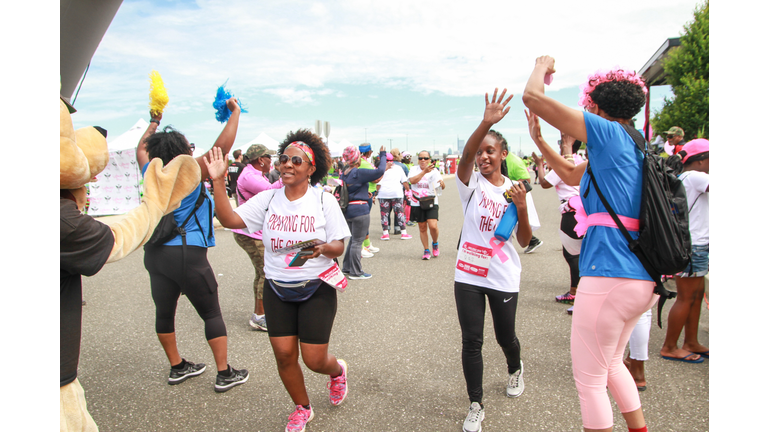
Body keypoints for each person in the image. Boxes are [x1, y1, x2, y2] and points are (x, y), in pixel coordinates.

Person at [523, 56, 660, 432]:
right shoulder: (633, 144)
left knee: (589, 381)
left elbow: (532, 97)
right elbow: (568, 172)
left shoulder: (606, 133)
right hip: (641, 278)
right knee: (613, 364)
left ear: (596, 107)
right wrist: (538, 141)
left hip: (608, 276)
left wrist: (542, 65)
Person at [205, 130, 352, 432]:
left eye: (295, 160)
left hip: (316, 287)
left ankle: (337, 371)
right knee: (285, 355)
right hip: (276, 287)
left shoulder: (323, 200)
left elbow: (340, 244)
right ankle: (302, 408)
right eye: (283, 158)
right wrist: (218, 182)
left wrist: (324, 248)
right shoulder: (268, 198)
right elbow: (231, 220)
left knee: (313, 359)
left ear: (311, 168)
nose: (286, 164)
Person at [136, 97, 249, 393]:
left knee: (164, 312)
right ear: (183, 153)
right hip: (187, 253)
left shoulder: (150, 171)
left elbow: (140, 149)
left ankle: (177, 367)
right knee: (211, 313)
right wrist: (235, 112)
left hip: (155, 253)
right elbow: (220, 150)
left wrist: (154, 121)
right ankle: (225, 373)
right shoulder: (186, 173)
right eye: (189, 149)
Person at [455, 89, 539, 432]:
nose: (483, 157)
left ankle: (514, 368)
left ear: (503, 154)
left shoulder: (518, 190)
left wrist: (520, 206)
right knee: (471, 341)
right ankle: (475, 403)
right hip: (468, 275)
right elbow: (464, 155)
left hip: (503, 275)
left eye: (491, 151)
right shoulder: (471, 184)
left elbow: (523, 240)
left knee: (506, 337)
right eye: (481, 152)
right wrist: (485, 121)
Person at [660, 139, 709, 363]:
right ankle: (670, 346)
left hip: (697, 244)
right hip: (693, 245)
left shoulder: (690, 176)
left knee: (697, 296)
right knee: (686, 297)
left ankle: (691, 341)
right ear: (700, 161)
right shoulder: (696, 177)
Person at [530, 134, 585, 315]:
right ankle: (579, 292)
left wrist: (539, 164)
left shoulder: (564, 163)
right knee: (584, 253)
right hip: (586, 210)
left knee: (572, 255)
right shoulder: (583, 160)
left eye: (561, 142)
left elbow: (545, 183)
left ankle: (576, 293)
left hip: (571, 212)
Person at [232, 144, 283, 331]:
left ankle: (260, 313)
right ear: (261, 159)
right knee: (265, 272)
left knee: (261, 272)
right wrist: (286, 175)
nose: (272, 161)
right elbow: (270, 192)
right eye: (269, 158)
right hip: (250, 233)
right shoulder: (250, 176)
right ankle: (260, 316)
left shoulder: (252, 173)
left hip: (252, 231)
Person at [340, 145, 387, 279]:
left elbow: (352, 190)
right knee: (357, 242)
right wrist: (383, 154)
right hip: (360, 210)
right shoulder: (358, 172)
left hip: (349, 210)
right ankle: (356, 272)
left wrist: (362, 192)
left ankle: (347, 268)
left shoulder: (345, 173)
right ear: (357, 158)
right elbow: (380, 171)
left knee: (353, 240)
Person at [505, 150, 545, 254]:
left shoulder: (514, 161)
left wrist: (508, 189)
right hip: (507, 196)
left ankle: (533, 241)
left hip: (514, 197)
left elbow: (526, 180)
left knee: (515, 223)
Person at [409, 150, 445, 260]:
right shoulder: (413, 169)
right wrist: (424, 172)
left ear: (429, 159)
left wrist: (442, 185)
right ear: (418, 159)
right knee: (422, 227)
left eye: (425, 158)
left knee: (433, 226)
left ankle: (435, 243)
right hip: (417, 202)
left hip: (431, 201)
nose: (423, 160)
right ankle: (426, 249)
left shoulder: (435, 171)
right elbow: (412, 181)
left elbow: (440, 188)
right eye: (420, 158)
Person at [377, 152, 412, 241]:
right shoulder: (399, 168)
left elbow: (378, 183)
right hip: (397, 193)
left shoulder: (381, 169)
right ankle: (403, 233)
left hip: (383, 194)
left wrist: (375, 193)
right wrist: (408, 191)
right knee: (400, 213)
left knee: (384, 214)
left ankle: (385, 234)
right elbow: (404, 181)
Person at [358, 143, 383, 256]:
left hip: (369, 193)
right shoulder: (364, 163)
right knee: (363, 221)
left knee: (366, 221)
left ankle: (367, 244)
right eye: (371, 151)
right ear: (368, 152)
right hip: (365, 194)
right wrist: (384, 170)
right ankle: (362, 247)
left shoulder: (365, 162)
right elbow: (376, 179)